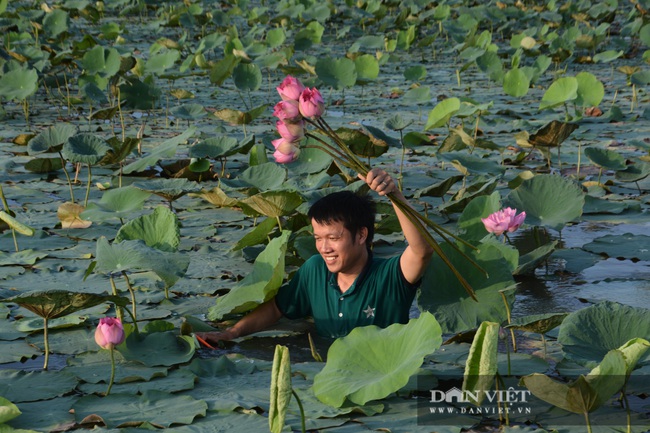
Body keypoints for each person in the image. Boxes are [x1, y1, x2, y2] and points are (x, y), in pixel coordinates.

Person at [196, 167, 434, 344]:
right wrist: (231, 333)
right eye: (318, 238)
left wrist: (395, 195)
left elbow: (422, 250)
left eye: (333, 238)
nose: (324, 248)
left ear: (361, 235)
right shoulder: (314, 270)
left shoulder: (390, 276)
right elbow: (277, 309)